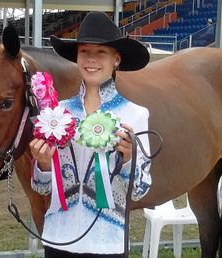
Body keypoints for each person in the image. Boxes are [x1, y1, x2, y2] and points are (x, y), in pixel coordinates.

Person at [29, 11, 152, 258]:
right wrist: (42, 163)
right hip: (58, 240)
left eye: (101, 52)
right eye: (84, 51)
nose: (91, 59)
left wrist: (128, 159)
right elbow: (42, 189)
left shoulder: (135, 115)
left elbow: (141, 190)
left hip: (107, 243)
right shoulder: (58, 114)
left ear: (116, 59)